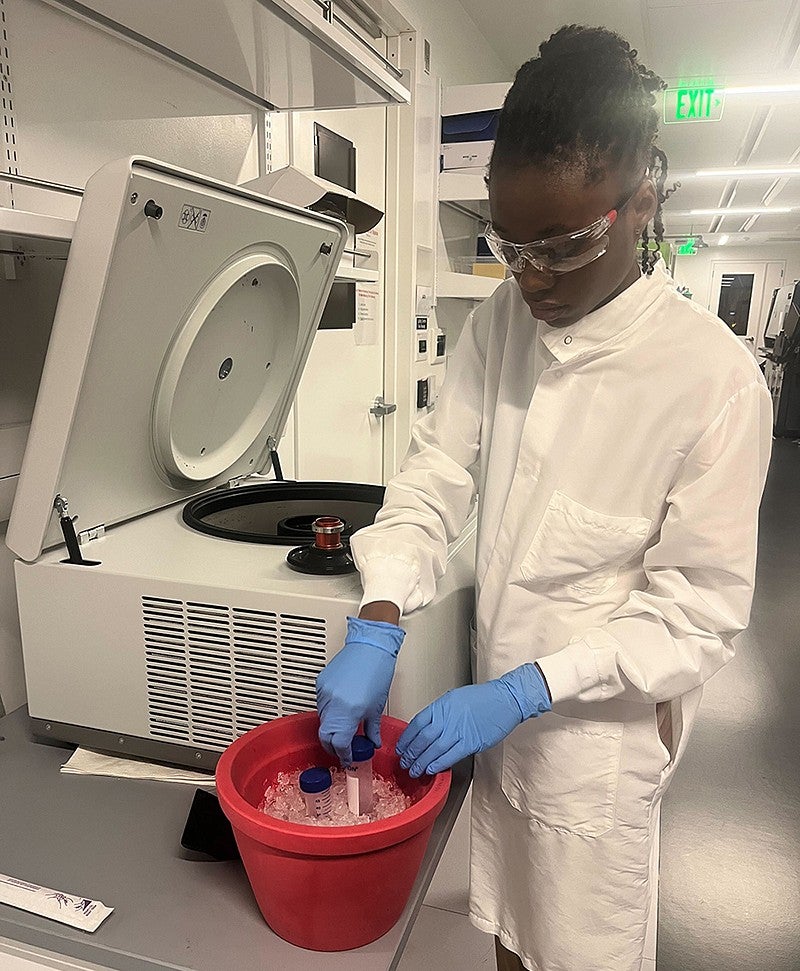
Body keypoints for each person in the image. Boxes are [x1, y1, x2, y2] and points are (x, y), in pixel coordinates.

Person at [316, 24, 773, 971]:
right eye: (508, 242)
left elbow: (698, 614)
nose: (529, 277)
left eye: (561, 245)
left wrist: (533, 687)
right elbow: (436, 477)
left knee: (580, 949)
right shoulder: (501, 322)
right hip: (501, 739)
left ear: (639, 202)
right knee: (509, 936)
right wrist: (378, 616)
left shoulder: (712, 379)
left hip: (593, 753)